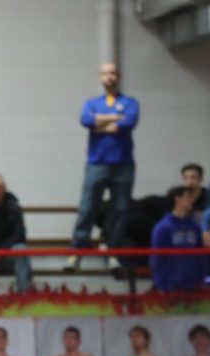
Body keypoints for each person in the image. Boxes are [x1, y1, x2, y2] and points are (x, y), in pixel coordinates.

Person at [68, 62, 139, 270]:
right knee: (87, 208)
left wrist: (100, 123)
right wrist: (115, 120)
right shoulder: (91, 103)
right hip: (96, 165)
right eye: (106, 73)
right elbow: (85, 119)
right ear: (100, 77)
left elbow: (130, 121)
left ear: (119, 76)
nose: (110, 76)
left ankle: (113, 253)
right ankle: (76, 252)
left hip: (123, 166)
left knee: (120, 210)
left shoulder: (130, 102)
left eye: (113, 73)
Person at [149, 186, 207, 292]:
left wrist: (201, 278)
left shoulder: (194, 227)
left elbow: (200, 254)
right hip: (170, 284)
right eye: (188, 197)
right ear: (177, 199)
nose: (192, 200)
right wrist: (161, 283)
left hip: (193, 284)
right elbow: (157, 257)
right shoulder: (163, 227)